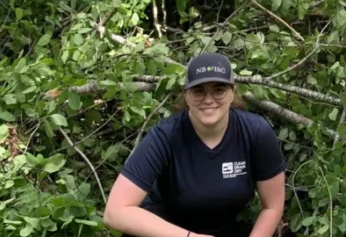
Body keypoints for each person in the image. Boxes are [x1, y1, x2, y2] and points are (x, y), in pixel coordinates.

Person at [103, 53, 287, 237]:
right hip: (167, 230)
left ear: (232, 92)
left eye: (218, 89)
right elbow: (115, 212)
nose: (208, 99)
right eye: (198, 90)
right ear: (186, 95)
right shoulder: (165, 135)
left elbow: (272, 206)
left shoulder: (256, 131)